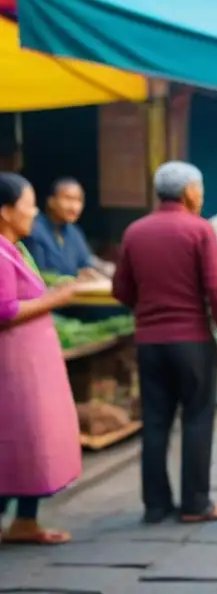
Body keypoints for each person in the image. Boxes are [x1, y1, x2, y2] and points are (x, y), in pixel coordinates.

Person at [113, 162, 217, 525]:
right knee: (197, 419)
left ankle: (155, 505)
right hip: (192, 341)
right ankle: (196, 504)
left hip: (149, 343)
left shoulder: (135, 231)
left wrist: (149, 304)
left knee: (154, 423)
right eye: (199, 189)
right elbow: (216, 289)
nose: (200, 195)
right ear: (188, 192)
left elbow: (121, 289)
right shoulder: (199, 229)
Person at [0, 173, 82, 545]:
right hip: (13, 368)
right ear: (5, 211)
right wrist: (57, 299)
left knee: (33, 440)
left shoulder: (15, 247)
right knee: (16, 439)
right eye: (28, 203)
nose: (33, 211)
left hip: (32, 364)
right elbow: (5, 311)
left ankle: (25, 521)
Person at [23, 178, 104, 278]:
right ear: (51, 201)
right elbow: (39, 274)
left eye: (79, 200)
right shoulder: (34, 229)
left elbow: (85, 263)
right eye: (68, 199)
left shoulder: (74, 232)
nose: (75, 207)